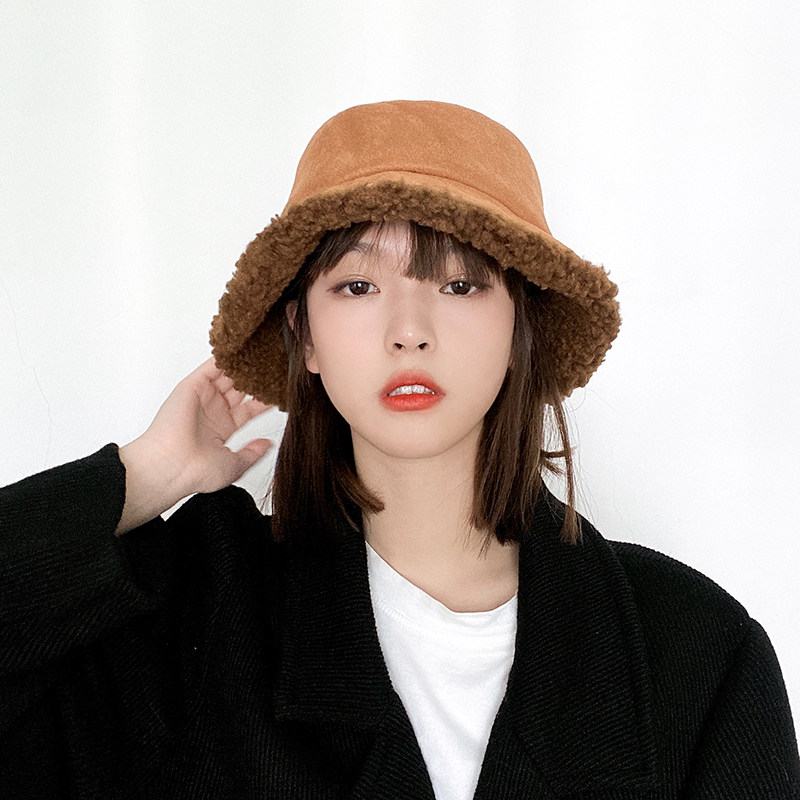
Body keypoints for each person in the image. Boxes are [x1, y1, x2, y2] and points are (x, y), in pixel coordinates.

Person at [0, 100, 797, 800]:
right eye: (357, 286)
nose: (408, 330)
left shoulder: (691, 647)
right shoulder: (198, 609)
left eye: (459, 284)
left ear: (519, 325)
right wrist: (145, 475)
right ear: (304, 334)